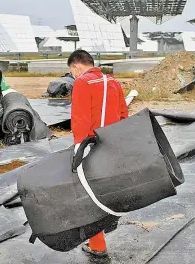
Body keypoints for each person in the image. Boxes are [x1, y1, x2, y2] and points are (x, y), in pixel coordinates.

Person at [68, 49, 129, 259]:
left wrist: (78, 149)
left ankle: (98, 246)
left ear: (77, 66)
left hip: (92, 146)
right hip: (111, 145)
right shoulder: (112, 81)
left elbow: (80, 119)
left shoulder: (82, 83)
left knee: (90, 197)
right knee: (107, 190)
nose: (74, 76)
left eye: (73, 72)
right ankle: (105, 228)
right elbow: (123, 114)